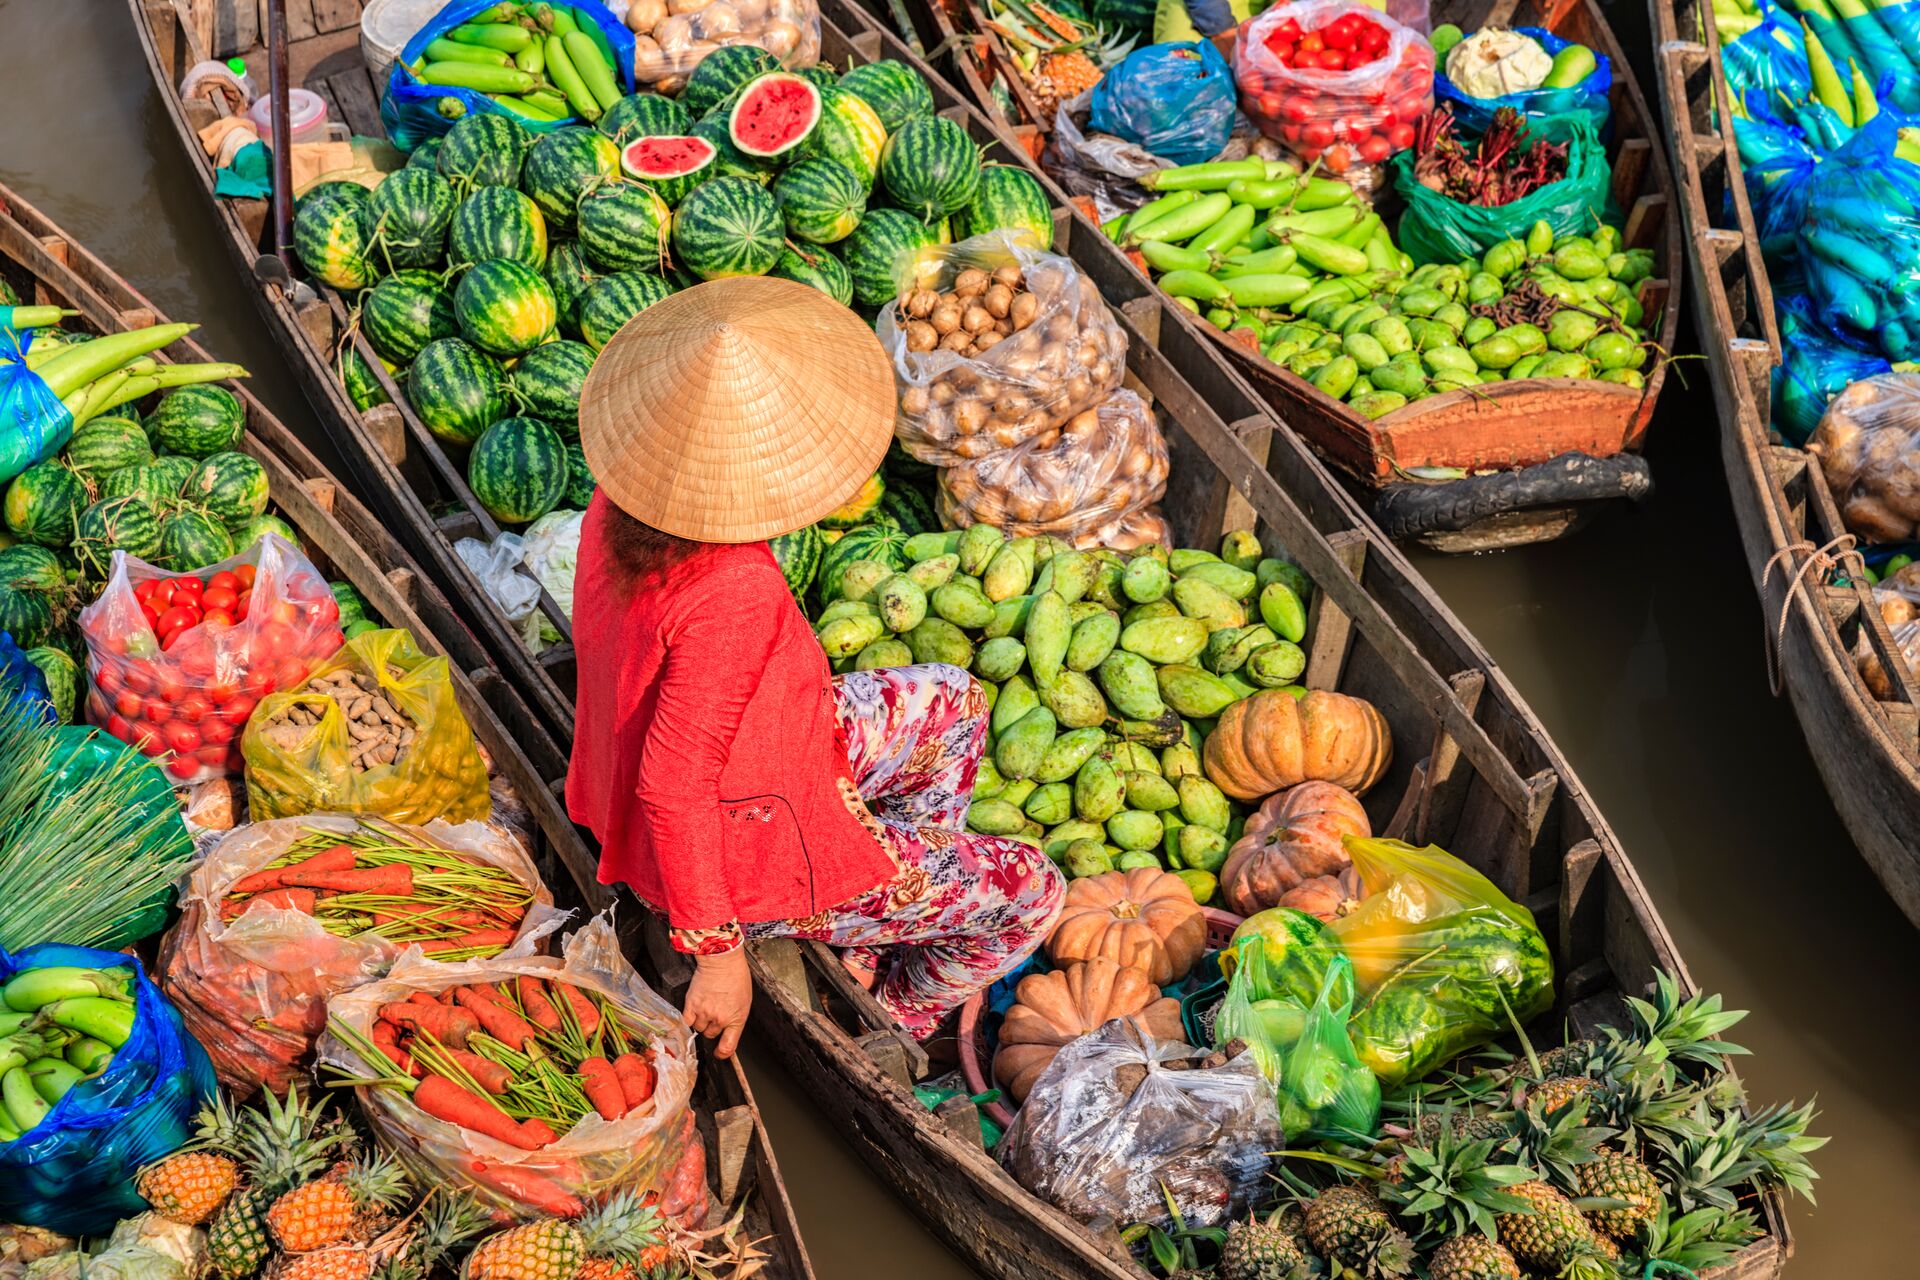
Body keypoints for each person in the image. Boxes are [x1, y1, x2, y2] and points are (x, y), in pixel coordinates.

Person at [567, 278, 1066, 1059]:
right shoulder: (733, 588)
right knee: (1033, 891)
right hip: (737, 848)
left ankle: (870, 927)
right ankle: (890, 1018)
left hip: (763, 749)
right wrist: (719, 955)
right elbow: (673, 784)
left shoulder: (624, 495)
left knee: (956, 701)